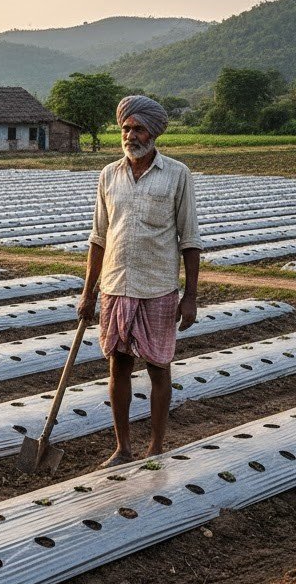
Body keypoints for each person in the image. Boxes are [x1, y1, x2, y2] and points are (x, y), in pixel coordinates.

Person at [77, 95, 203, 467]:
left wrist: (191, 296)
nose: (130, 135)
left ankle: (157, 446)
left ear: (154, 133)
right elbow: (98, 238)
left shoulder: (177, 174)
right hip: (115, 285)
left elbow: (190, 239)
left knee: (158, 366)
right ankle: (123, 448)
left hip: (158, 286)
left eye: (138, 129)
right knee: (118, 364)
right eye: (125, 129)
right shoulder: (108, 175)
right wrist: (88, 293)